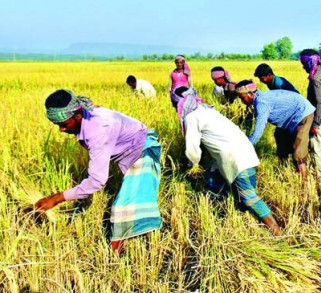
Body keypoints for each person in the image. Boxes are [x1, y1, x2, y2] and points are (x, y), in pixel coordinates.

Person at [34, 89, 162, 253]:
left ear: (78, 116)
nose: (61, 130)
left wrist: (57, 198)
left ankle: (116, 260)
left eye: (64, 125)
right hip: (131, 149)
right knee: (135, 199)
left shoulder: (97, 131)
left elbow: (97, 181)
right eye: (58, 125)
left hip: (143, 150)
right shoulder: (85, 113)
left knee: (123, 209)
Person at [173, 86, 281, 236]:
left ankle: (275, 230)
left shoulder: (191, 117)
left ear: (179, 104)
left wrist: (188, 165)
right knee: (236, 191)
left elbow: (193, 150)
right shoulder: (208, 110)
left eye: (174, 104)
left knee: (249, 197)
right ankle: (241, 222)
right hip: (246, 150)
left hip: (234, 157)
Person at [234, 80, 315, 183]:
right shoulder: (259, 97)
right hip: (291, 118)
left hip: (303, 114)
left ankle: (304, 185)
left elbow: (258, 131)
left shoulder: (262, 103)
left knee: (298, 152)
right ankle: (283, 170)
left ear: (250, 94)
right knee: (280, 137)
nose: (242, 101)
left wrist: (246, 148)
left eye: (242, 98)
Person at [300, 49, 321, 180]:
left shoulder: (315, 79)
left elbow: (320, 102)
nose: (303, 67)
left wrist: (315, 124)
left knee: (318, 152)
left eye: (304, 63)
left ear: (310, 62)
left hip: (320, 121)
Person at [211, 66, 253, 134]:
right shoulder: (226, 87)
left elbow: (239, 103)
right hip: (239, 115)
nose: (214, 82)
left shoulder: (231, 87)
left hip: (244, 114)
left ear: (221, 78)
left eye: (215, 80)